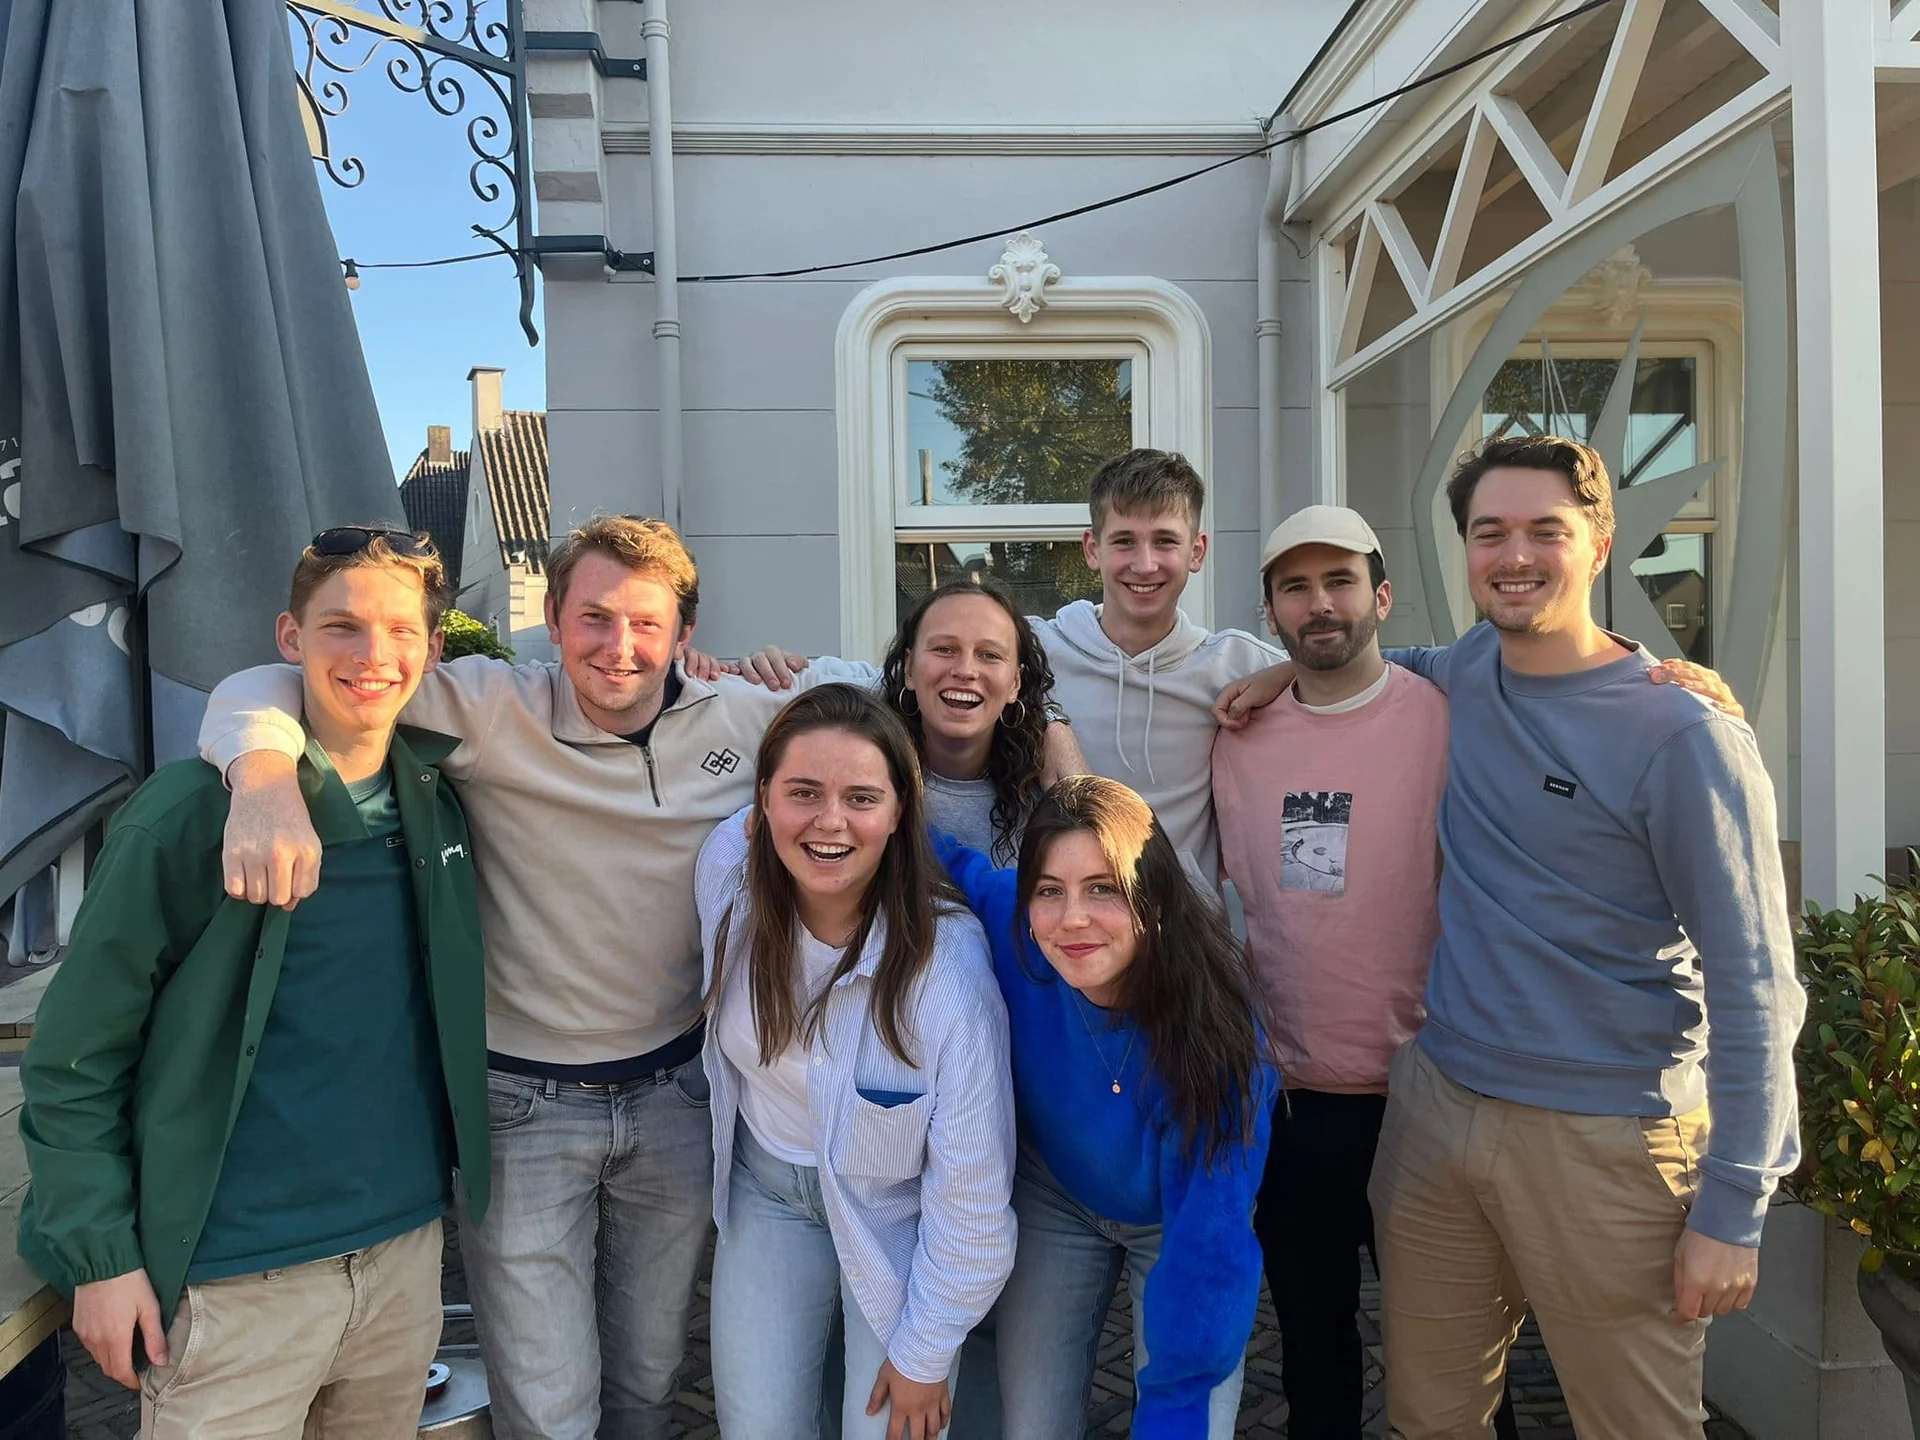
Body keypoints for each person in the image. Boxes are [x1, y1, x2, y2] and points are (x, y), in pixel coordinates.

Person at [195, 515, 873, 1440]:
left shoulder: (751, 720)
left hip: (681, 1091)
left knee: (647, 1382)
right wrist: (264, 777)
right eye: (594, 618)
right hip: (519, 1106)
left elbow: (897, 694)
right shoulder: (487, 708)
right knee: (547, 1406)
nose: (620, 647)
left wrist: (792, 666)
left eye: (646, 622)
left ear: (685, 632)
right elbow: (276, 678)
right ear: (552, 620)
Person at [1328, 436, 1797, 1438]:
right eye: (1490, 532)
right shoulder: (1461, 674)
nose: (1515, 554)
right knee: (1427, 1418)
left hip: (1609, 1142)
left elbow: (1757, 984)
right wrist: (1268, 681)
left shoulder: (1684, 734)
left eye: (1547, 529)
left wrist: (1733, 1209)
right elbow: (1369, 665)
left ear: (1600, 542)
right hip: (1439, 1110)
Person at [18, 526, 488, 1439]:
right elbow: (75, 1059)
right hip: (235, 1278)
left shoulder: (442, 797)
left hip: (401, 1258)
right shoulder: (188, 815)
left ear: (434, 649)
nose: (372, 656)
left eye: (400, 632)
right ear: (289, 638)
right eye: (341, 627)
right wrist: (101, 1259)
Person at [1212, 506, 1518, 1440]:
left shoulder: (1454, 718)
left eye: (1340, 581)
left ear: (1381, 596)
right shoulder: (1238, 734)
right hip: (1295, 1098)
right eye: (1296, 587)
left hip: (1431, 1094)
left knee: (1459, 1359)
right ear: (1270, 613)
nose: (1321, 604)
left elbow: (1561, 668)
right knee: (1312, 1346)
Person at [698, 684, 1016, 1440]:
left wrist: (928, 1352)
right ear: (762, 805)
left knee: (892, 1429)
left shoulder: (950, 976)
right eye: (803, 792)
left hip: (901, 1216)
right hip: (767, 1192)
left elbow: (971, 1198)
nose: (830, 821)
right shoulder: (727, 882)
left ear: (901, 811)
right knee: (759, 1427)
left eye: (861, 797)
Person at [740, 449, 1281, 886]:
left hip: (1179, 935)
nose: (1143, 564)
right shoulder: (1032, 647)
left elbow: (1353, 677)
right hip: (1065, 929)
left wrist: (1288, 674)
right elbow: (893, 674)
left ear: (1198, 550)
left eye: (1165, 541)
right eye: (1123, 542)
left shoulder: (1235, 664)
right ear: (1092, 549)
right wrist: (745, 668)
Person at [934, 775, 1276, 1439]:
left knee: (1186, 1420)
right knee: (1032, 1423)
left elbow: (1210, 1251)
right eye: (1049, 890)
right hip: (1056, 1196)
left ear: (1152, 893)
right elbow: (942, 857)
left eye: (1104, 889)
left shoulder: (1221, 1037)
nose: (1072, 919)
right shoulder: (1015, 929)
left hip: (1176, 1222)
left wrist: (1176, 1407)